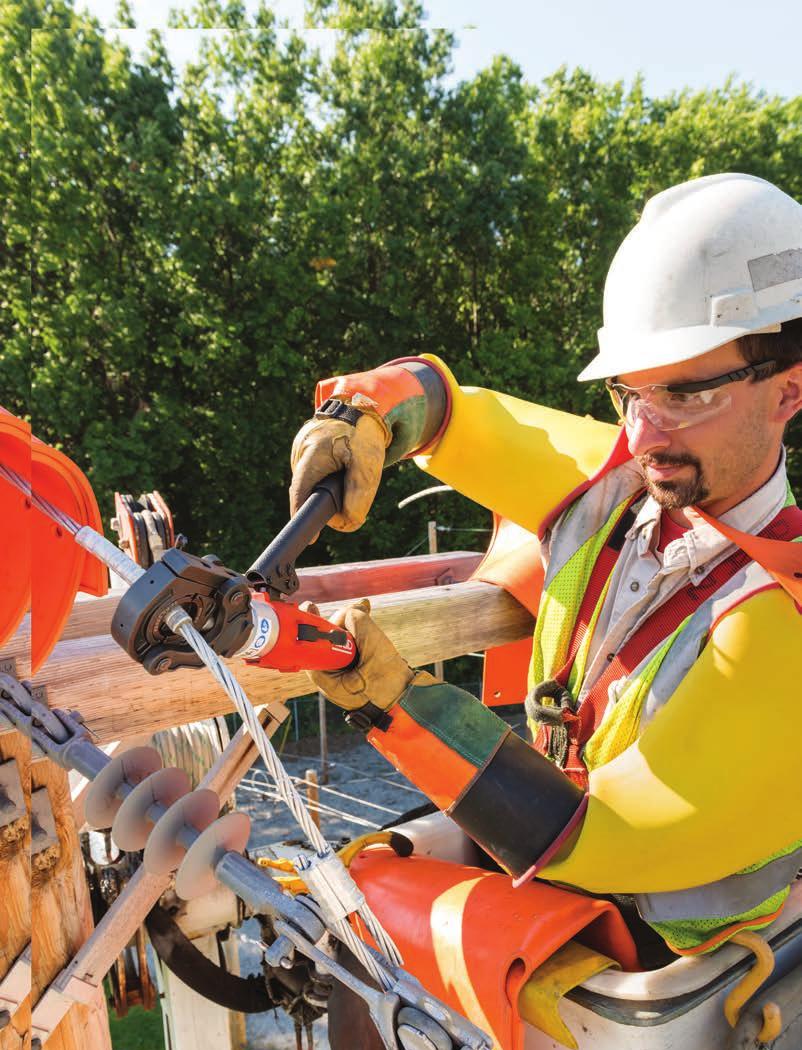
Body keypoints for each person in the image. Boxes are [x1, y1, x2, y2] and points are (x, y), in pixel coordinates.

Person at [289, 172, 802, 959]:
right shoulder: (621, 485)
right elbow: (458, 415)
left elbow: (596, 835)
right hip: (568, 892)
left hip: (682, 965)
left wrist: (397, 706)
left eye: (687, 395)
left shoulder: (780, 627)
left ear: (788, 391)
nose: (647, 429)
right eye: (629, 392)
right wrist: (365, 411)